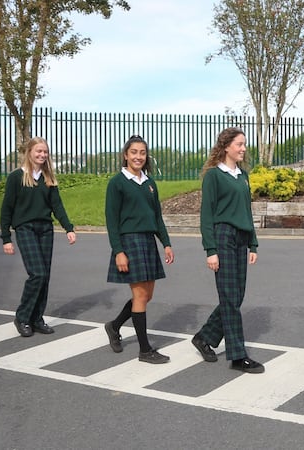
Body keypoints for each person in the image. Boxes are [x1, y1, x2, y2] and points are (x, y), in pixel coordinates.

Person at [190, 127, 264, 374]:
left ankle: (204, 337)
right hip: (223, 237)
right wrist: (210, 249)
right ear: (226, 147)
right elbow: (206, 215)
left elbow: (246, 211)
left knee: (235, 297)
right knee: (231, 299)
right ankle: (237, 355)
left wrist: (253, 243)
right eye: (239, 144)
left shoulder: (243, 175)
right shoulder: (214, 176)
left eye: (244, 144)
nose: (243, 148)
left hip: (241, 238)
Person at [104, 135, 174, 364]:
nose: (138, 156)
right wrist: (118, 251)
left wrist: (166, 243)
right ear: (126, 155)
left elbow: (157, 217)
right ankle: (145, 350)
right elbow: (111, 220)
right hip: (129, 243)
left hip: (148, 242)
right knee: (140, 296)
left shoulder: (150, 183)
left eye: (142, 152)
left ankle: (114, 326)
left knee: (146, 295)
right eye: (134, 152)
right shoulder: (117, 183)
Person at [0, 136, 76, 337]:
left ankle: (37, 318)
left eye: (45, 152)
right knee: (37, 274)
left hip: (45, 230)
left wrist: (68, 228)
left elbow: (57, 205)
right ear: (29, 152)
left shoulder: (48, 177)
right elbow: (7, 208)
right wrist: (6, 238)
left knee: (45, 276)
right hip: (25, 229)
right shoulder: (16, 177)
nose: (42, 155)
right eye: (38, 151)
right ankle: (22, 316)